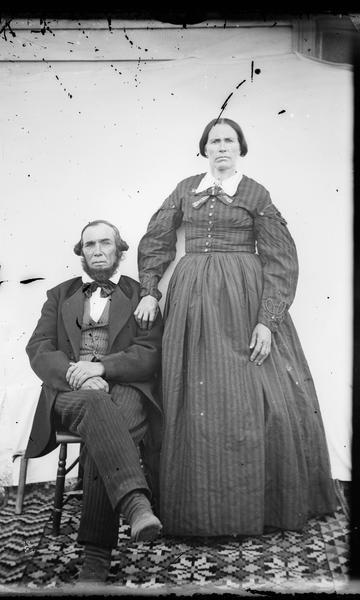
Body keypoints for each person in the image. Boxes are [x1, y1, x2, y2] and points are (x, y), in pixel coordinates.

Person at [134, 117, 337, 537]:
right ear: (204, 149)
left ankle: (254, 505)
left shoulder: (256, 194)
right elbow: (155, 238)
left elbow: (282, 260)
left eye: (229, 141)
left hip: (244, 301)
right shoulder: (185, 189)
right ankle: (192, 506)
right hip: (190, 301)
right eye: (214, 141)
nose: (221, 147)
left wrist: (267, 321)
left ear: (240, 148)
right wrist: (151, 290)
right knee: (189, 394)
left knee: (258, 400)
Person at [24, 220, 163, 583]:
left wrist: (101, 368)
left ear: (119, 251)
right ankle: (135, 504)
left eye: (106, 243)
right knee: (102, 412)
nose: (98, 250)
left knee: (106, 419)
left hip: (126, 389)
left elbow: (149, 353)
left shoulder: (140, 296)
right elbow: (38, 348)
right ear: (81, 252)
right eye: (90, 245)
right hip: (71, 393)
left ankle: (95, 560)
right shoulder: (58, 295)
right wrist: (78, 372)